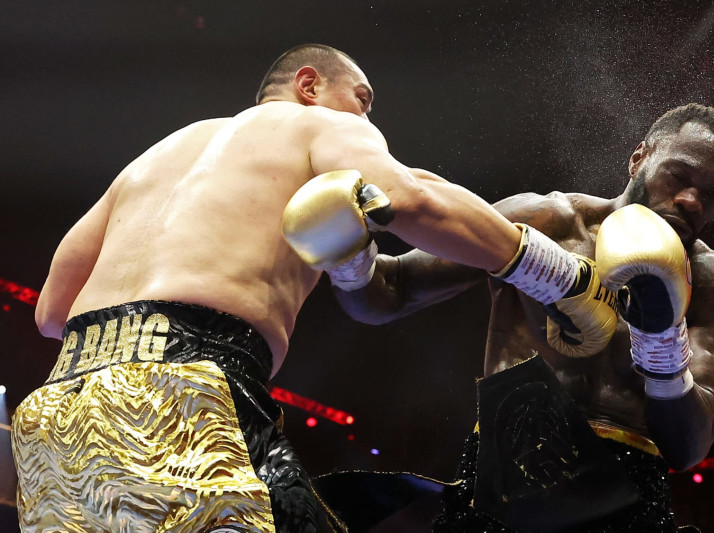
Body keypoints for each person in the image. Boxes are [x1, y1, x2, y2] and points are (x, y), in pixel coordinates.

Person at [10, 43, 581, 533]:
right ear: (310, 86)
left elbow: (52, 313)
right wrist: (556, 274)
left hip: (58, 416)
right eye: (362, 100)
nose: (366, 120)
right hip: (183, 394)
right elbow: (408, 199)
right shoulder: (320, 126)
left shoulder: (156, 156)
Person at [332, 103, 714, 532]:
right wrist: (345, 252)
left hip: (631, 501)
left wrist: (662, 340)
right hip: (507, 476)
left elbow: (688, 448)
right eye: (678, 176)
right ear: (639, 158)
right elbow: (390, 292)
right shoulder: (547, 222)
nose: (690, 200)